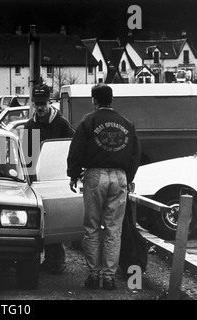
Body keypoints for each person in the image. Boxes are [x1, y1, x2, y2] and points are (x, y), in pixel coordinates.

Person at [66, 83, 141, 290]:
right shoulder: (127, 123)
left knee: (92, 228)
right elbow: (136, 154)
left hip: (95, 175)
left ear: (94, 100)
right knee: (113, 230)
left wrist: (73, 174)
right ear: (112, 99)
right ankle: (108, 277)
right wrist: (129, 177)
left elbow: (76, 149)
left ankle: (93, 275)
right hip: (120, 177)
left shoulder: (88, 120)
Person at [22, 83, 75, 275]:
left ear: (49, 102)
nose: (40, 107)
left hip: (55, 179)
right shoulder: (30, 125)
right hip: (35, 180)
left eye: (43, 103)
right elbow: (27, 154)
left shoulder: (60, 124)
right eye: (37, 104)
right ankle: (42, 259)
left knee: (53, 220)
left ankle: (57, 260)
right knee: (38, 222)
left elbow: (73, 146)